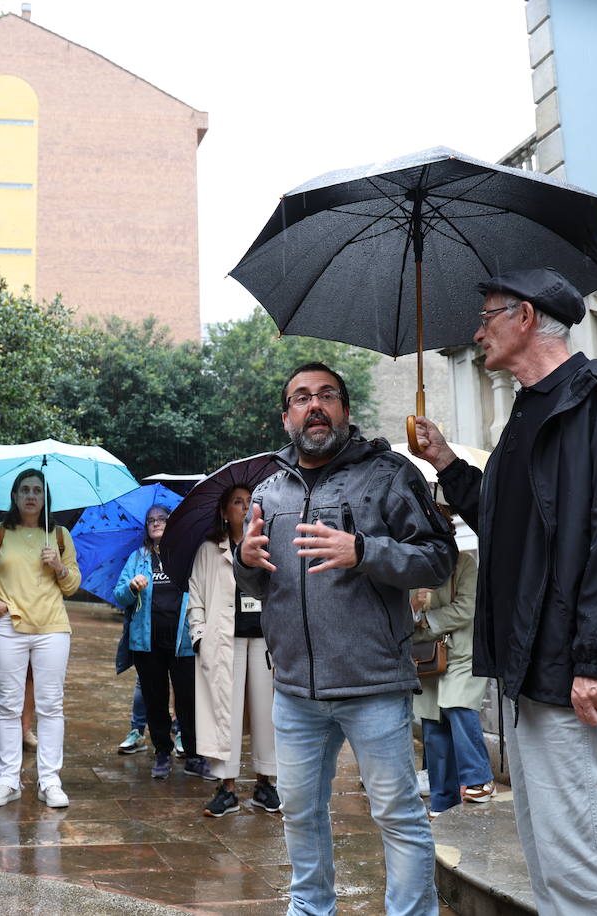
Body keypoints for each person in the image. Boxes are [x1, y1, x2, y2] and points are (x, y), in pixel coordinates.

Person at [414, 267, 597, 915]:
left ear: (525, 317)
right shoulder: (528, 414)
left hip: (573, 669)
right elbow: (506, 530)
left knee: (586, 860)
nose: (477, 333)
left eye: (486, 317)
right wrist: (448, 463)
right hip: (531, 667)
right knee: (553, 860)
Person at [237, 361, 456, 916]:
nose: (315, 405)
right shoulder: (267, 487)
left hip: (373, 684)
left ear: (345, 409)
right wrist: (245, 563)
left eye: (327, 395)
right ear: (286, 416)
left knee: (397, 814)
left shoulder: (388, 474)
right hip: (294, 690)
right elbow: (260, 582)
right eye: (302, 398)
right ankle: (311, 909)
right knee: (300, 811)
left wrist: (365, 551)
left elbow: (438, 559)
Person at [0, 469, 81, 808]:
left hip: (51, 627)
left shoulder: (60, 535)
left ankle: (49, 780)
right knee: (8, 705)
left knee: (51, 707)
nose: (31, 495)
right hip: (8, 625)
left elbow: (72, 584)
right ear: (15, 496)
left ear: (45, 496)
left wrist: (59, 567)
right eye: (25, 490)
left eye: (37, 490)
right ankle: (7, 779)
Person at [187, 484, 280, 817]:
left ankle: (265, 785)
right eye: (237, 502)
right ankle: (226, 788)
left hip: (263, 639)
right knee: (224, 711)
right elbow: (195, 595)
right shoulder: (209, 550)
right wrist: (199, 634)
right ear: (225, 512)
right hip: (224, 641)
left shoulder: (268, 545)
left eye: (248, 501)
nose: (244, 507)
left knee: (265, 712)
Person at [112, 505, 205, 780]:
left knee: (188, 700)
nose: (156, 523)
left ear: (171, 523)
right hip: (147, 642)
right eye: (151, 520)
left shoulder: (187, 556)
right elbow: (119, 595)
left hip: (182, 641)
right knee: (155, 700)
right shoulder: (137, 558)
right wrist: (132, 587)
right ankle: (162, 752)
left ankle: (194, 753)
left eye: (162, 519)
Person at [408, 518, 492, 819]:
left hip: (460, 654)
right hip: (428, 659)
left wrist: (425, 620)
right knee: (433, 728)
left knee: (459, 710)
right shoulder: (414, 568)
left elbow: (466, 609)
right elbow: (406, 615)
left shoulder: (465, 564)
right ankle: (443, 801)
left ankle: (478, 779)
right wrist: (415, 608)